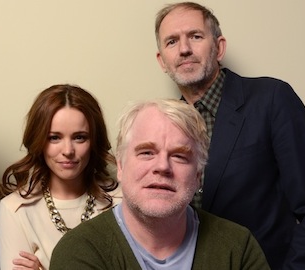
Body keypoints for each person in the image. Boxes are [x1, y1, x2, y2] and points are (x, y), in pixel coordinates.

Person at [153, 2, 305, 269]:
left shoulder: (272, 100)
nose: (184, 49)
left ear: (219, 47)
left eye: (195, 36)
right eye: (172, 41)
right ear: (162, 60)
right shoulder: (163, 125)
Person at [50, 99, 269, 269]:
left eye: (179, 156)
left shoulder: (238, 248)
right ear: (121, 166)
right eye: (146, 152)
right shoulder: (80, 251)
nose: (162, 166)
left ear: (198, 176)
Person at [0, 84, 122, 270]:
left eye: (79, 137)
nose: (68, 151)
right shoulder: (15, 209)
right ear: (39, 140)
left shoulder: (121, 203)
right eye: (54, 137)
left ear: (94, 140)